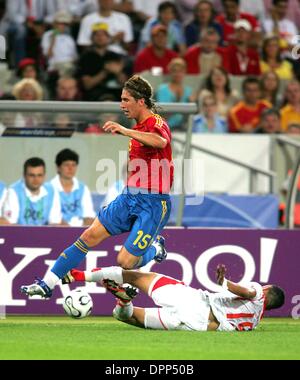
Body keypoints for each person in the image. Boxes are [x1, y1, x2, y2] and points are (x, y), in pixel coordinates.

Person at [21, 75, 174, 299]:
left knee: (125, 261)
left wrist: (125, 131)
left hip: (153, 203)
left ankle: (156, 250)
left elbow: (160, 142)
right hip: (129, 197)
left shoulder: (156, 123)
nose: (121, 105)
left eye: (125, 99)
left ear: (141, 101)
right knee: (88, 236)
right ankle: (47, 284)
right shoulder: (139, 128)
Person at [59, 263, 285, 331]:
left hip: (194, 301)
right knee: (127, 317)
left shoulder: (257, 292)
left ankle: (79, 275)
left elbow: (246, 291)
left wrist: (224, 282)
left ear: (266, 290)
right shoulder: (254, 322)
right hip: (197, 327)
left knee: (135, 277)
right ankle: (124, 300)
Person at [2, 158, 62, 226]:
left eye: (39, 175)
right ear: (24, 175)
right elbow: (10, 225)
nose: (36, 179)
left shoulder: (52, 191)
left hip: (45, 235)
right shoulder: (13, 191)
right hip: (18, 235)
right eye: (32, 175)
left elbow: (55, 224)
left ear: (44, 176)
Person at [50, 149, 96, 226]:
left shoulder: (83, 188)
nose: (70, 168)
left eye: (73, 165)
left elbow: (89, 216)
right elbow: (52, 219)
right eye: (66, 165)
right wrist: (69, 231)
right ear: (58, 167)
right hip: (57, 232)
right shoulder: (49, 188)